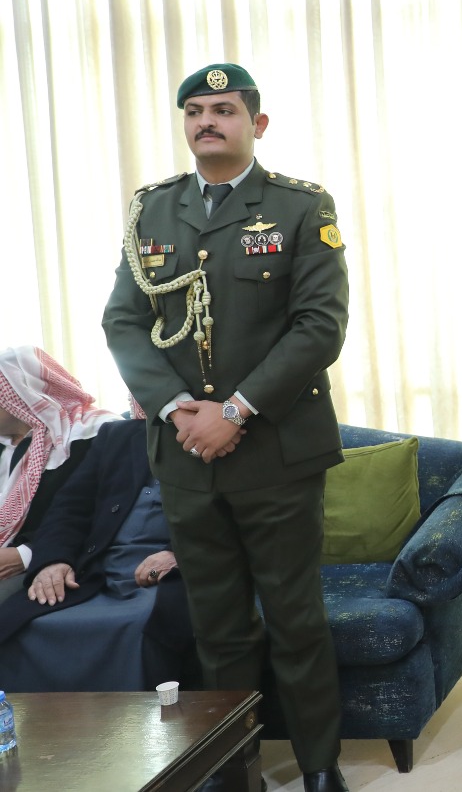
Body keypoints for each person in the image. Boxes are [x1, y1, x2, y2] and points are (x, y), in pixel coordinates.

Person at [102, 62, 350, 792]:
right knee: (217, 626)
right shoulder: (152, 211)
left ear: (256, 123)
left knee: (296, 620)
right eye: (195, 111)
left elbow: (319, 326)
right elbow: (124, 321)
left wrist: (235, 411)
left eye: (224, 109)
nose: (207, 121)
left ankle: (319, 767)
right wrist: (180, 408)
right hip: (186, 455)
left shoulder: (301, 206)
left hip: (277, 452)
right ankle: (236, 769)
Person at [0, 417, 196, 690]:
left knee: (141, 625)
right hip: (95, 570)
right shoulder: (117, 435)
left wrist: (179, 555)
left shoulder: (218, 435)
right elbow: (70, 508)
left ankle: (141, 716)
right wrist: (53, 561)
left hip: (169, 575)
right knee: (25, 624)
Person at [0, 346, 122, 602]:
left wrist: (26, 553)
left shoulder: (96, 433)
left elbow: (106, 511)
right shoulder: (7, 446)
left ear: (21, 391)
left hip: (62, 560)